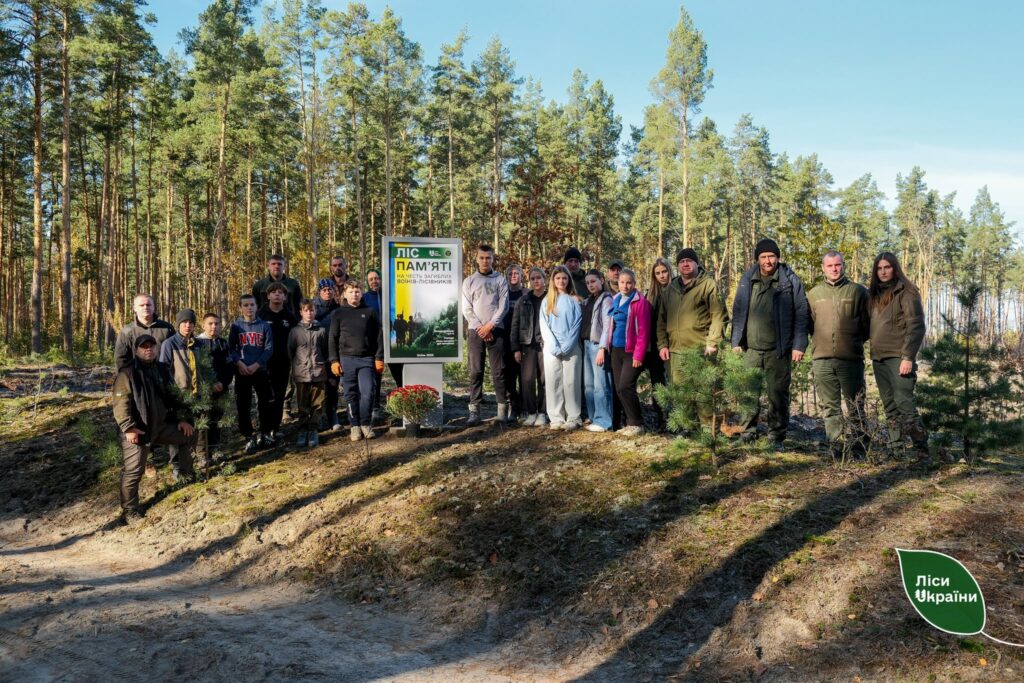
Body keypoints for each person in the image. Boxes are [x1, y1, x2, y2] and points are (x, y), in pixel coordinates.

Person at [730, 238, 809, 449]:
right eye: (763, 257)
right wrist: (736, 340)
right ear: (757, 259)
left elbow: (802, 313)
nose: (767, 261)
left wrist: (799, 345)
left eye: (771, 256)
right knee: (748, 392)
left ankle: (776, 436)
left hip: (779, 350)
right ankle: (748, 431)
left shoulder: (790, 281)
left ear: (778, 257)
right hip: (751, 349)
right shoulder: (748, 278)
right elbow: (738, 309)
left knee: (778, 394)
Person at [112, 334, 195, 524]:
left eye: (151, 346)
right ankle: (130, 510)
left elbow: (175, 396)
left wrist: (182, 419)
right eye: (144, 347)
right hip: (138, 430)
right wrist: (128, 427)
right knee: (134, 471)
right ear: (136, 350)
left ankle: (185, 479)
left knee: (188, 435)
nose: (148, 349)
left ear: (157, 349)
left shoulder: (163, 369)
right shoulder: (128, 373)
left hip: (162, 425)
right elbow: (120, 403)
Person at [807, 251, 870, 457]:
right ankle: (836, 447)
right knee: (830, 407)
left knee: (855, 405)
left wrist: (853, 341)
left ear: (843, 266)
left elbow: (868, 324)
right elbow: (808, 324)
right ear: (823, 268)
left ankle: (860, 447)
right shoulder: (814, 294)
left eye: (838, 265)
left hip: (851, 359)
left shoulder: (858, 292)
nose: (834, 269)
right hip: (822, 360)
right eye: (830, 266)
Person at [656, 248, 728, 428]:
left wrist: (712, 342)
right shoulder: (670, 288)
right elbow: (661, 321)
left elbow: (719, 315)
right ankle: (687, 429)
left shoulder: (708, 285)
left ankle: (707, 431)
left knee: (704, 393)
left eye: (689, 261)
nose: (685, 264)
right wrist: (662, 345)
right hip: (675, 351)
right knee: (682, 394)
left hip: (701, 349)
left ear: (696, 263)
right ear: (677, 265)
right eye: (681, 261)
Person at [868, 251, 928, 455]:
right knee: (890, 406)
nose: (883, 272)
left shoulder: (907, 292)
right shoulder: (875, 295)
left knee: (904, 404)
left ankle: (922, 449)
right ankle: (896, 450)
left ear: (895, 268)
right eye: (879, 268)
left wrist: (908, 357)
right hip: (879, 358)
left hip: (899, 358)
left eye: (887, 267)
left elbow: (917, 326)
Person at [159, 309, 216, 471]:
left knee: (201, 427)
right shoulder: (169, 344)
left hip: (199, 395)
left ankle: (202, 457)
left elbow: (206, 367)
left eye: (191, 322)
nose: (188, 325)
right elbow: (164, 372)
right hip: (180, 396)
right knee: (179, 431)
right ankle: (178, 466)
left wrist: (210, 384)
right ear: (178, 324)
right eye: (184, 322)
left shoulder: (198, 344)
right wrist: (171, 395)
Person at [329, 279, 385, 441]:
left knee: (368, 392)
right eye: (351, 291)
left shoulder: (370, 312)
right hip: (346, 359)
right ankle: (354, 426)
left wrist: (379, 357)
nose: (355, 294)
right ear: (345, 294)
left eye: (357, 291)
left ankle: (365, 424)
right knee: (350, 394)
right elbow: (332, 338)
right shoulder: (338, 313)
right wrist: (334, 360)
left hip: (367, 359)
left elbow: (379, 336)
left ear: (361, 293)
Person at [461, 243, 510, 425]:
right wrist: (481, 328)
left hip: (496, 330)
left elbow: (503, 306)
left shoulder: (500, 280)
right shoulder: (469, 281)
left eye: (488, 258)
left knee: (499, 371)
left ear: (493, 259)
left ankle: (502, 410)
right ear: (476, 259)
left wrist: (490, 325)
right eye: (481, 257)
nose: (485, 261)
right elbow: (466, 308)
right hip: (475, 331)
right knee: (476, 371)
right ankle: (474, 411)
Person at [228, 293, 276, 453]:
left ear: (256, 306)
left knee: (265, 402)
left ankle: (265, 432)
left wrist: (257, 364)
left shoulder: (264, 326)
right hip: (242, 371)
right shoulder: (236, 326)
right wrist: (239, 363)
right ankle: (248, 436)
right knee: (243, 405)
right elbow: (231, 349)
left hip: (260, 369)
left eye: (252, 305)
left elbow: (269, 349)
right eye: (246, 305)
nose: (249, 308)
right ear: (241, 308)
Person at [607, 269, 652, 436]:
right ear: (617, 283)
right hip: (616, 350)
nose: (625, 286)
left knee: (626, 386)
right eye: (622, 282)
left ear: (634, 284)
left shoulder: (640, 302)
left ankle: (636, 423)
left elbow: (644, 331)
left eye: (629, 282)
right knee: (619, 388)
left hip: (631, 351)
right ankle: (628, 422)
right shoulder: (615, 299)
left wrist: (638, 355)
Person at [539, 266, 583, 430]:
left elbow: (577, 324)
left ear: (568, 280)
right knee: (553, 383)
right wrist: (554, 346)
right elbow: (544, 325)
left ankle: (574, 417)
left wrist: (567, 345)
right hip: (551, 349)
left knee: (571, 383)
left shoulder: (574, 300)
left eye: (564, 278)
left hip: (571, 348)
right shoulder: (547, 301)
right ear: (553, 281)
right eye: (558, 278)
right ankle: (556, 418)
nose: (561, 281)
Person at [258, 282, 298, 437]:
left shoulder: (289, 316)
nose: (277, 294)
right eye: (273, 292)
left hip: (283, 361)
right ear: (268, 296)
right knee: (265, 396)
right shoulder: (261, 315)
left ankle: (275, 427)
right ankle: (264, 428)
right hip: (263, 362)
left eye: (280, 292)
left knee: (280, 394)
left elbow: (295, 338)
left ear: (285, 297)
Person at [289, 299, 329, 448]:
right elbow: (291, 351)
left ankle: (313, 429)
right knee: (302, 404)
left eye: (312, 310)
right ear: (301, 312)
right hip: (301, 373)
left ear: (315, 312)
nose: (309, 313)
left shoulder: (322, 330)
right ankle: (302, 430)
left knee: (318, 403)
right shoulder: (295, 331)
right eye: (306, 310)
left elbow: (325, 350)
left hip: (318, 372)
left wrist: (321, 363)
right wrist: (297, 366)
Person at [510, 267, 548, 427]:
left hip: (546, 345)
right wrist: (516, 348)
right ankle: (531, 413)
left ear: (544, 280)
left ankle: (542, 413)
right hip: (527, 345)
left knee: (544, 380)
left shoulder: (550, 299)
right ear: (529, 281)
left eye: (539, 278)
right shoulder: (523, 300)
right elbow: (515, 325)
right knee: (527, 380)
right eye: (533, 279)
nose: (536, 281)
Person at [581, 269, 614, 432]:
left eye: (593, 281)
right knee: (588, 385)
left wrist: (602, 348)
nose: (590, 285)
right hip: (586, 345)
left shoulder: (606, 299)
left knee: (601, 385)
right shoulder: (588, 301)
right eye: (587, 283)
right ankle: (594, 417)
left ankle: (604, 421)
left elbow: (608, 327)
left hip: (597, 346)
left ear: (601, 280)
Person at [197, 312, 232, 461]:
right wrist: (209, 385)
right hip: (203, 390)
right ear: (203, 325)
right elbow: (197, 369)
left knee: (217, 419)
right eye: (210, 323)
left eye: (217, 324)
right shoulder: (197, 343)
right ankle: (201, 453)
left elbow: (229, 367)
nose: (214, 327)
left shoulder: (223, 343)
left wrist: (223, 383)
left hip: (221, 389)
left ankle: (215, 448)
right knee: (203, 421)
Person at [114, 293, 175, 372]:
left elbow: (175, 354)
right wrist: (124, 379)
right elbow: (121, 359)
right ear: (135, 308)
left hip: (163, 377)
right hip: (137, 377)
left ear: (153, 307)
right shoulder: (127, 331)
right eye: (141, 305)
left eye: (148, 305)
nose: (145, 307)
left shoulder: (167, 328)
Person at [645, 257, 672, 430]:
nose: (661, 276)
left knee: (673, 381)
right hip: (653, 346)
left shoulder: (676, 290)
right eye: (658, 273)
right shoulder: (650, 295)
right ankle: (661, 417)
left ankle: (675, 418)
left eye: (664, 272)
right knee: (657, 383)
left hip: (673, 343)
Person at [362, 269, 392, 422]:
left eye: (376, 278)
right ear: (367, 282)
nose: (374, 281)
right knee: (375, 376)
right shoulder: (365, 298)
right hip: (374, 343)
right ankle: (375, 407)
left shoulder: (389, 295)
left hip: (392, 340)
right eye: (371, 279)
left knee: (398, 373)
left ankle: (402, 404)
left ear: (381, 280)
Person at [502, 264, 526, 421]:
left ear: (522, 276)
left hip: (523, 340)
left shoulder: (527, 294)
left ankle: (525, 407)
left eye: (516, 273)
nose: (513, 275)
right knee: (509, 376)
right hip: (505, 340)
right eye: (510, 273)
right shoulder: (503, 294)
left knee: (525, 376)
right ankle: (513, 406)